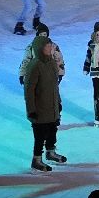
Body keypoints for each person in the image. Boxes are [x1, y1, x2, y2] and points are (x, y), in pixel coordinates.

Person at [21, 26, 66, 172]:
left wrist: (58, 102)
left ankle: (51, 152)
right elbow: (29, 90)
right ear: (40, 48)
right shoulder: (34, 66)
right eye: (47, 46)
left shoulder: (52, 63)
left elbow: (55, 86)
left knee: (52, 130)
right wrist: (31, 110)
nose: (50, 48)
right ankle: (37, 159)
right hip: (40, 108)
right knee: (40, 135)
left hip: (52, 106)